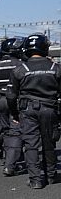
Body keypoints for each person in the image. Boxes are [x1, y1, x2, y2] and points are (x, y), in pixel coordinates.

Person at [7, 34, 61, 189]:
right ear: (45, 47)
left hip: (28, 110)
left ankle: (36, 179)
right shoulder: (55, 68)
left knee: (31, 144)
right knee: (49, 142)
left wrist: (15, 113)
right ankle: (51, 175)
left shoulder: (20, 69)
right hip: (50, 109)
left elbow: (11, 96)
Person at [0, 38, 24, 174]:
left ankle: (9, 159)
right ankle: (11, 164)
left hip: (0, 101)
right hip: (16, 101)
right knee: (16, 132)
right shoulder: (21, 64)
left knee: (5, 131)